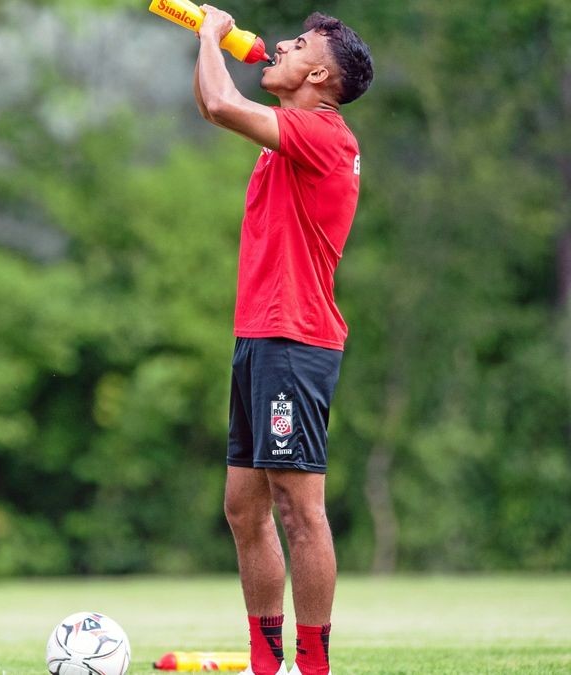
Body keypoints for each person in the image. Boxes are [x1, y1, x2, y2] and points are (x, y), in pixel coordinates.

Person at [191, 7, 373, 675]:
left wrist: (211, 34)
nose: (280, 48)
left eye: (295, 46)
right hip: (260, 337)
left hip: (295, 339)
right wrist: (209, 43)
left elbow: (218, 100)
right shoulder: (289, 139)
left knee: (300, 508)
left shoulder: (326, 137)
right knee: (244, 506)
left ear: (319, 74)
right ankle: (267, 663)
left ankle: (313, 666)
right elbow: (215, 106)